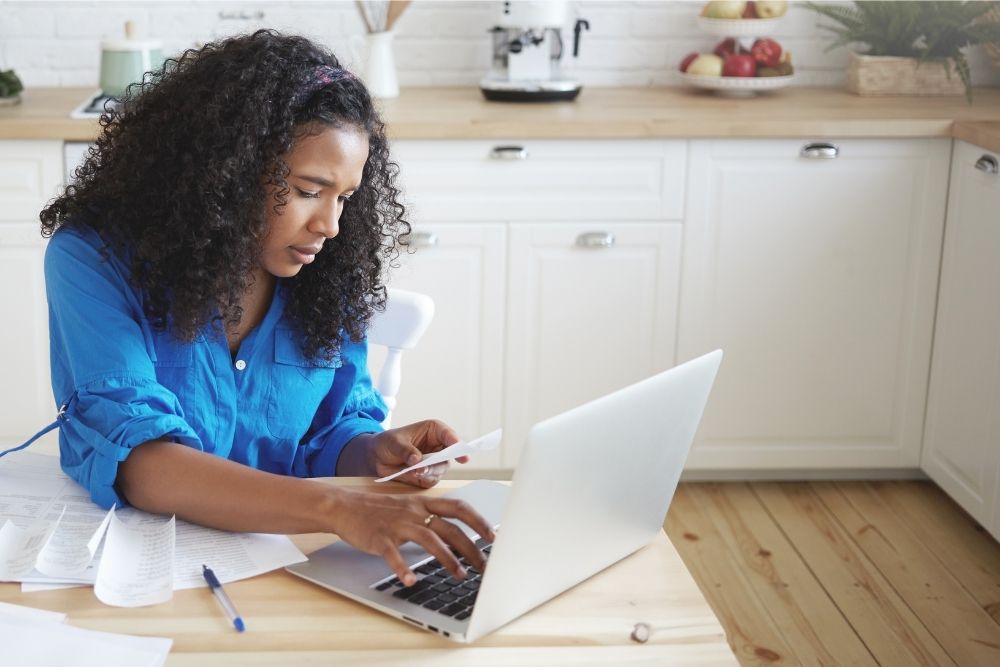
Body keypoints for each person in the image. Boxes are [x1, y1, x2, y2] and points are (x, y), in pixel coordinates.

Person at [38, 30, 491, 587]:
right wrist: (336, 507)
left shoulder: (323, 271)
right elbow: (142, 465)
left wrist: (372, 451)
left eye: (344, 196)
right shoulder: (93, 259)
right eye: (308, 190)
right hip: (134, 569)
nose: (330, 225)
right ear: (222, 172)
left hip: (287, 563)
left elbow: (328, 435)